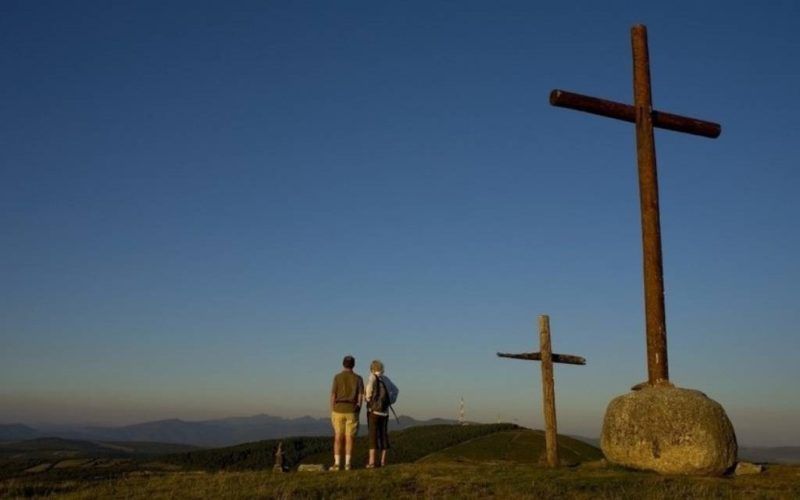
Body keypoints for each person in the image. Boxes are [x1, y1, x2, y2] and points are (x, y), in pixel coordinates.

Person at [329, 355, 364, 471]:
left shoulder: (337, 377)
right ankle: (348, 464)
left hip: (338, 409)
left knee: (338, 437)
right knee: (350, 437)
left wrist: (332, 408)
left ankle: (337, 464)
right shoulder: (358, 378)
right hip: (352, 410)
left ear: (343, 364)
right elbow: (360, 396)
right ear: (353, 365)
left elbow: (333, 395)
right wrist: (358, 407)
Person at [365, 359, 399, 468]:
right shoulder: (386, 379)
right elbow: (396, 390)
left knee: (373, 435)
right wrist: (390, 401)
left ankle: (372, 462)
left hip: (374, 411)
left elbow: (369, 389)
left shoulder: (372, 377)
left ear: (372, 368)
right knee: (383, 435)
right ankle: (383, 461)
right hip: (385, 412)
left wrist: (368, 399)